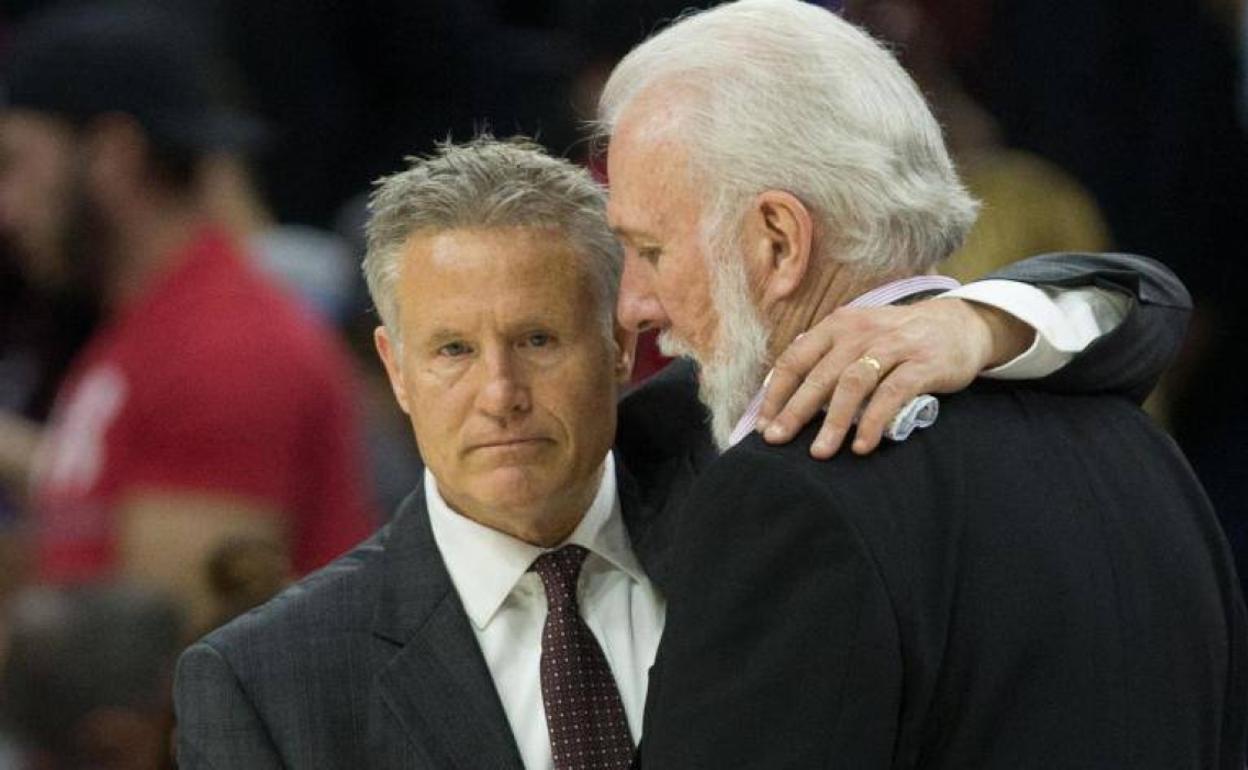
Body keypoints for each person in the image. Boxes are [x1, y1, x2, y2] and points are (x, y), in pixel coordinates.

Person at [175, 133, 1191, 768]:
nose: (499, 393)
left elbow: (1138, 304)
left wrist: (975, 325)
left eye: (537, 338)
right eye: (451, 350)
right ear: (393, 367)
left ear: (622, 342)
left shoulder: (761, 472)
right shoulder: (268, 681)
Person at [592, 2, 1246, 767]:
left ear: (778, 241)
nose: (633, 304)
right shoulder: (1145, 456)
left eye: (651, 250)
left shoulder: (787, 500)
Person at [0, 5, 375, 631]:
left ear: (113, 155)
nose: (6, 210)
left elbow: (167, 656)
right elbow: (78, 558)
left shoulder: (225, 347)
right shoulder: (147, 328)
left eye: (14, 164)